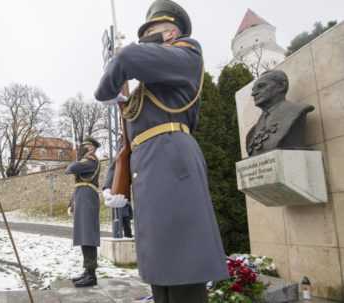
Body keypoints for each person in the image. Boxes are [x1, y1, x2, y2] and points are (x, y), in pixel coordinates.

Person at [94, 0, 229, 302]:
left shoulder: (187, 53)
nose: (145, 40)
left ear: (169, 35)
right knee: (159, 269)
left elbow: (127, 57)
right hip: (149, 168)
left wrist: (106, 91)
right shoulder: (148, 89)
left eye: (151, 33)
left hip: (171, 161)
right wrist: (112, 180)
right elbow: (128, 140)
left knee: (183, 264)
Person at [246, 70, 315, 156]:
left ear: (281, 86)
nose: (253, 94)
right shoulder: (252, 132)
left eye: (261, 86)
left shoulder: (296, 111)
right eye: (253, 90)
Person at [65, 137, 101, 288]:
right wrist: (71, 202)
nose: (82, 148)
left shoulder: (90, 161)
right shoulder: (85, 162)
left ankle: (91, 275)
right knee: (83, 235)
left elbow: (70, 169)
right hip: (82, 196)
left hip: (87, 198)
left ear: (91, 148)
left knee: (88, 235)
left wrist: (79, 158)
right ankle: (87, 271)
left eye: (85, 146)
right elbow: (78, 183)